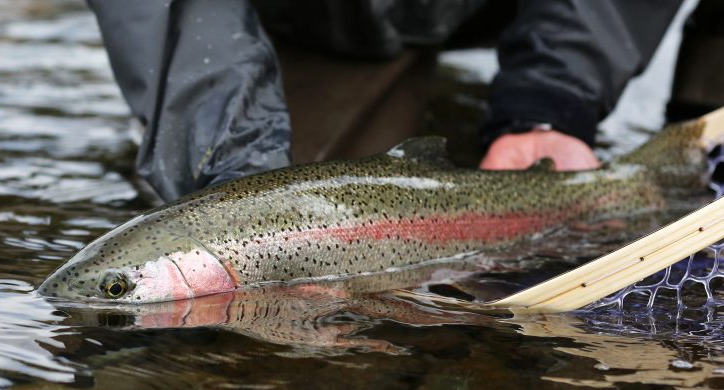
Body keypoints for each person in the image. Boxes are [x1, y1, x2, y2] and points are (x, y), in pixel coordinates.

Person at [87, 0, 683, 202]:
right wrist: (231, 163)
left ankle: (698, 148)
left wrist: (554, 102)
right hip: (319, 15)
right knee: (251, 180)